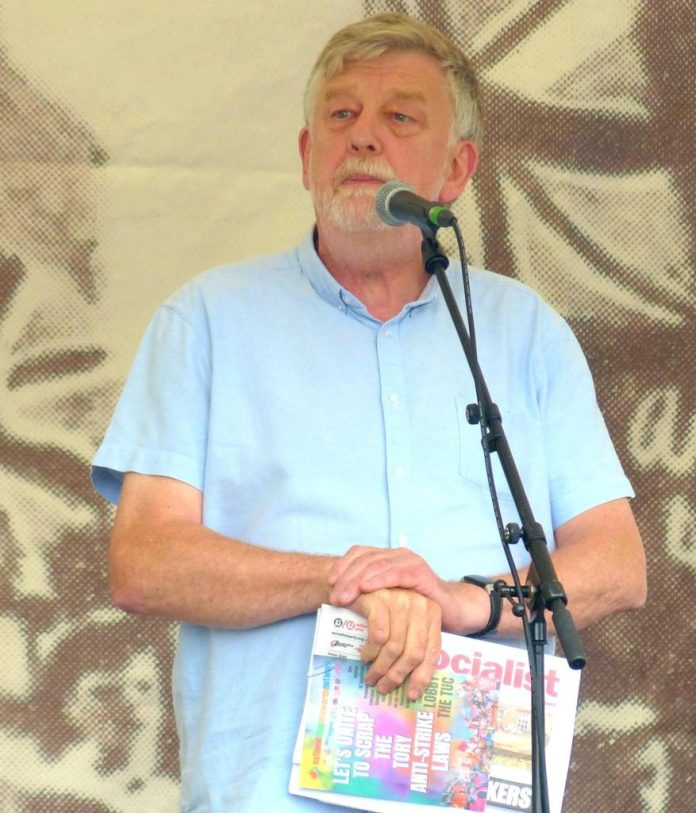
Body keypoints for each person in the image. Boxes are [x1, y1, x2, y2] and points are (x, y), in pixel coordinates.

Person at [91, 12, 647, 812]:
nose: (363, 138)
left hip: (474, 792)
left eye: (400, 117)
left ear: (456, 170)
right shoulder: (206, 320)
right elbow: (143, 560)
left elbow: (615, 565)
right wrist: (340, 581)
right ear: (308, 156)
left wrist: (457, 598)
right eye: (341, 115)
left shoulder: (523, 332)